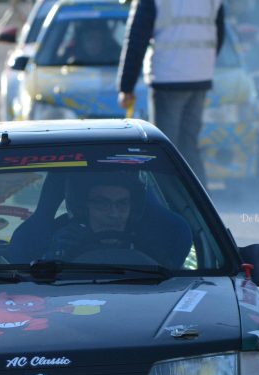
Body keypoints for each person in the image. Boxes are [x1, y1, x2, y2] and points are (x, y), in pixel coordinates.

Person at [117, 0, 225, 187]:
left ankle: (167, 204)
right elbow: (220, 32)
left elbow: (136, 39)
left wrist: (126, 87)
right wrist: (201, 63)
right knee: (189, 146)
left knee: (165, 150)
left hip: (168, 78)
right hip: (199, 78)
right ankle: (201, 208)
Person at [43, 172, 192, 269]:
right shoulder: (62, 243)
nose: (114, 214)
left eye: (122, 203)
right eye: (102, 203)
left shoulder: (150, 246)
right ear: (83, 208)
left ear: (133, 209)